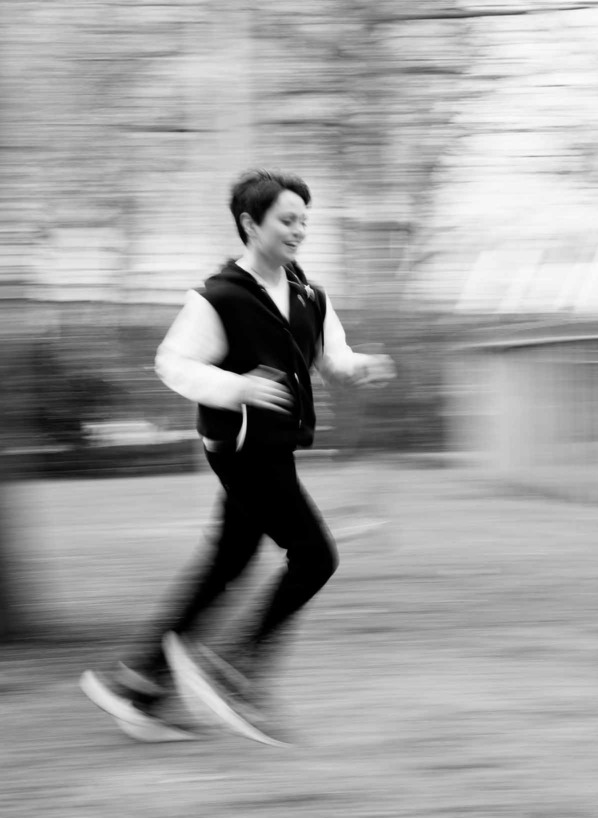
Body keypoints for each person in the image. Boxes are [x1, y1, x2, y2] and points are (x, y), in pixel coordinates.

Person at [81, 169, 395, 744]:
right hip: (244, 449)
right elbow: (173, 363)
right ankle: (232, 673)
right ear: (251, 224)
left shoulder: (308, 295)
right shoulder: (218, 298)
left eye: (305, 220)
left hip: (276, 446)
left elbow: (331, 356)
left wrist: (362, 365)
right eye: (287, 219)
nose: (299, 230)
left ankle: (136, 684)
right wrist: (236, 387)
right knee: (314, 557)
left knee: (226, 565)